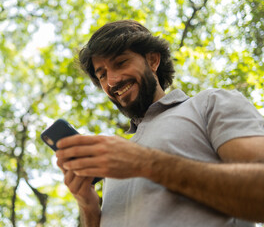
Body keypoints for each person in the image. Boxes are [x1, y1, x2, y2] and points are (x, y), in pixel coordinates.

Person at [55, 20, 264, 227]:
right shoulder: (116, 162)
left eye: (120, 63)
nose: (112, 81)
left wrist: (147, 163)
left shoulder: (210, 104)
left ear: (153, 60)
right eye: (102, 75)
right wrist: (89, 210)